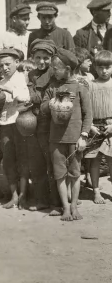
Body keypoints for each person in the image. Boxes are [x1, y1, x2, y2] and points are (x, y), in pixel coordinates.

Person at [41, 49, 92, 221]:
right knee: (59, 175)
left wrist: (83, 136)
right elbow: (42, 109)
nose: (53, 71)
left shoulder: (80, 87)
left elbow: (88, 114)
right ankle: (65, 209)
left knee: (75, 174)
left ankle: (74, 206)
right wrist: (54, 101)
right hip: (56, 140)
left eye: (56, 68)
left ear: (68, 68)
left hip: (75, 139)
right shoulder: (53, 87)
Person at [0, 49, 30, 209]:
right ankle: (14, 195)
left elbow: (25, 97)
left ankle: (23, 196)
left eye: (8, 64)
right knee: (8, 160)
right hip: (5, 124)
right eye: (1, 65)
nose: (5, 68)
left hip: (20, 124)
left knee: (23, 159)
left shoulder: (21, 78)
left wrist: (9, 91)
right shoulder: (1, 81)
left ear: (17, 62)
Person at [27, 39, 60, 214]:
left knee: (53, 163)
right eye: (38, 57)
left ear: (52, 58)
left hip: (51, 125)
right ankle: (41, 199)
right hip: (34, 124)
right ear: (32, 57)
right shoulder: (30, 75)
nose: (41, 61)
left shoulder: (56, 75)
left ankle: (56, 201)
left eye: (46, 58)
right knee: (37, 163)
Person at [84, 51, 112, 204]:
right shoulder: (90, 85)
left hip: (111, 126)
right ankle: (96, 191)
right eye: (100, 67)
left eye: (108, 67)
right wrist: (90, 126)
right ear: (95, 67)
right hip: (95, 126)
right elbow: (86, 108)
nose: (104, 71)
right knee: (94, 161)